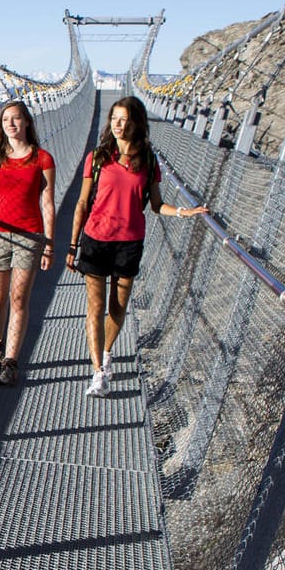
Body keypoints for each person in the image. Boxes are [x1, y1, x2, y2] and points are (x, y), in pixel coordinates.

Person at [66, 95, 207, 396]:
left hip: (129, 243)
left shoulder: (148, 161)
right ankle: (98, 372)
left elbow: (156, 205)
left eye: (125, 119)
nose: (118, 124)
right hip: (95, 240)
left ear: (136, 124)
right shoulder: (98, 157)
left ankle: (105, 352)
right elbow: (81, 203)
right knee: (95, 307)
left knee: (118, 309)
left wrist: (183, 211)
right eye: (114, 118)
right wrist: (71, 245)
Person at [0, 100, 56, 386]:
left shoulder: (42, 159)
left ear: (27, 122)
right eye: (6, 119)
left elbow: (48, 203)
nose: (11, 123)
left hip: (29, 236)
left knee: (19, 298)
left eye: (16, 118)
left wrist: (49, 243)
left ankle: (10, 361)